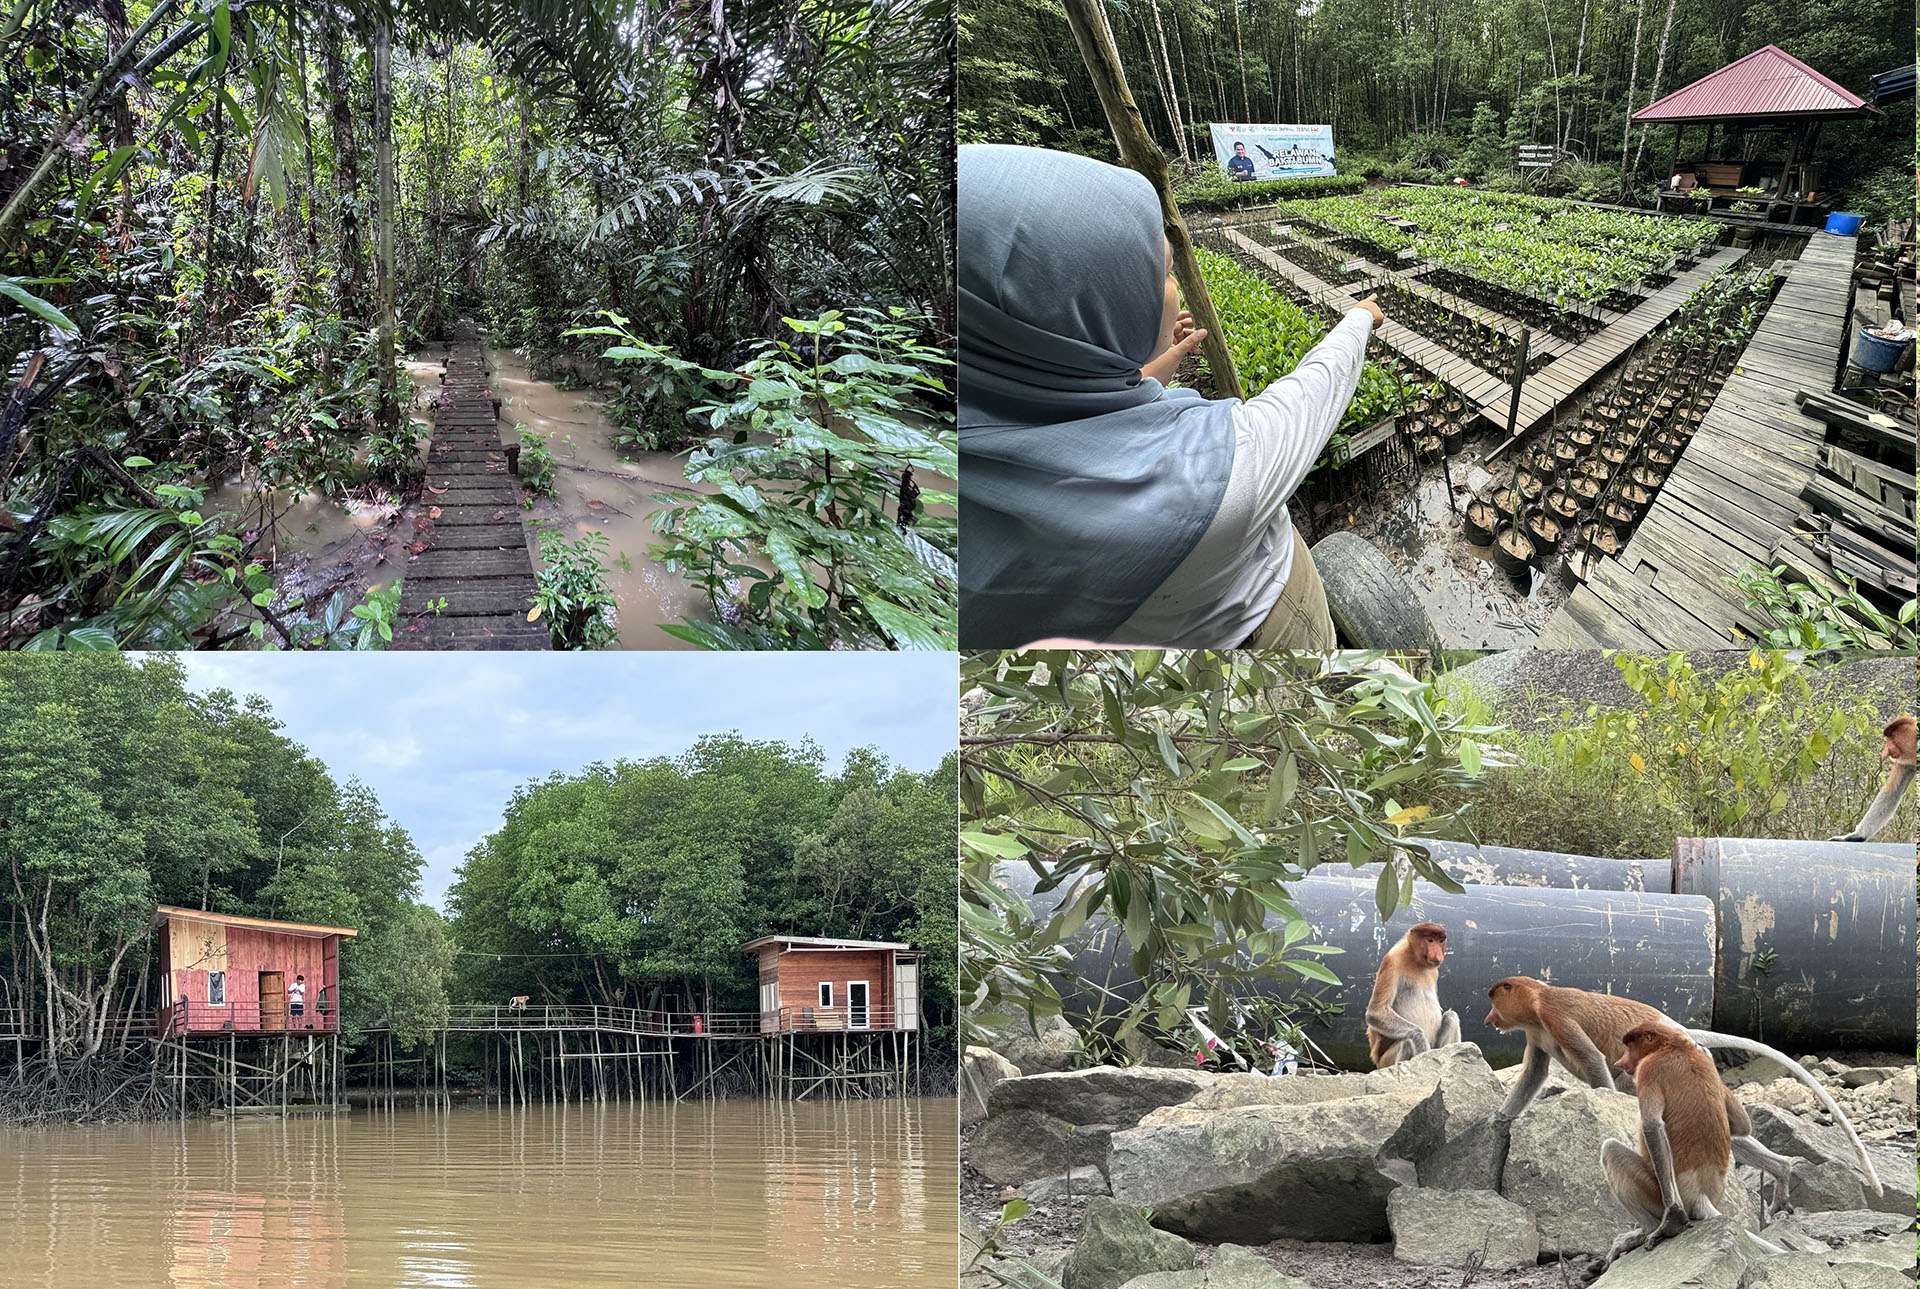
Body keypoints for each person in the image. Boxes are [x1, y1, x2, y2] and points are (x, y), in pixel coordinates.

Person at [959, 143, 1385, 648]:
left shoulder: (971, 428)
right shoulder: (1209, 485)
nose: (1172, 286)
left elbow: (1085, 423)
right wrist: (1360, 320)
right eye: (1160, 271)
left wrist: (1155, 368)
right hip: (1269, 628)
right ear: (1094, 305)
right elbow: (1308, 398)